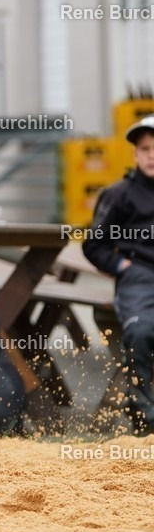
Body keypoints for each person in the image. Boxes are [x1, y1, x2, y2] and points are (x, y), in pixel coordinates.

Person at [83, 115, 154, 434]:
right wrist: (122, 266)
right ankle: (144, 417)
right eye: (145, 148)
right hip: (138, 276)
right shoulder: (118, 194)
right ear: (135, 154)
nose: (151, 155)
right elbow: (93, 245)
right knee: (140, 332)